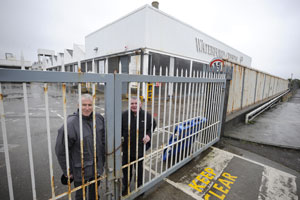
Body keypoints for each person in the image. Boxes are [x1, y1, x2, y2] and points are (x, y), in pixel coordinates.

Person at [55, 93, 105, 200]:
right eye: (84, 105)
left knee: (95, 193)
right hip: (80, 170)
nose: (87, 108)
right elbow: (61, 151)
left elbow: (103, 140)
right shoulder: (70, 124)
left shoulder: (99, 119)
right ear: (78, 105)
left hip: (97, 167)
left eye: (90, 105)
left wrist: (103, 160)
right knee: (80, 195)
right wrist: (67, 171)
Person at [121, 96, 157, 196]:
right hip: (127, 149)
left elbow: (153, 125)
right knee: (126, 170)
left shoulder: (146, 115)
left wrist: (148, 135)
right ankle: (126, 186)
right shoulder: (124, 115)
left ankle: (139, 186)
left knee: (139, 169)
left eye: (136, 103)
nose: (134, 105)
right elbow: (119, 130)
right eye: (132, 103)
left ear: (140, 104)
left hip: (140, 148)